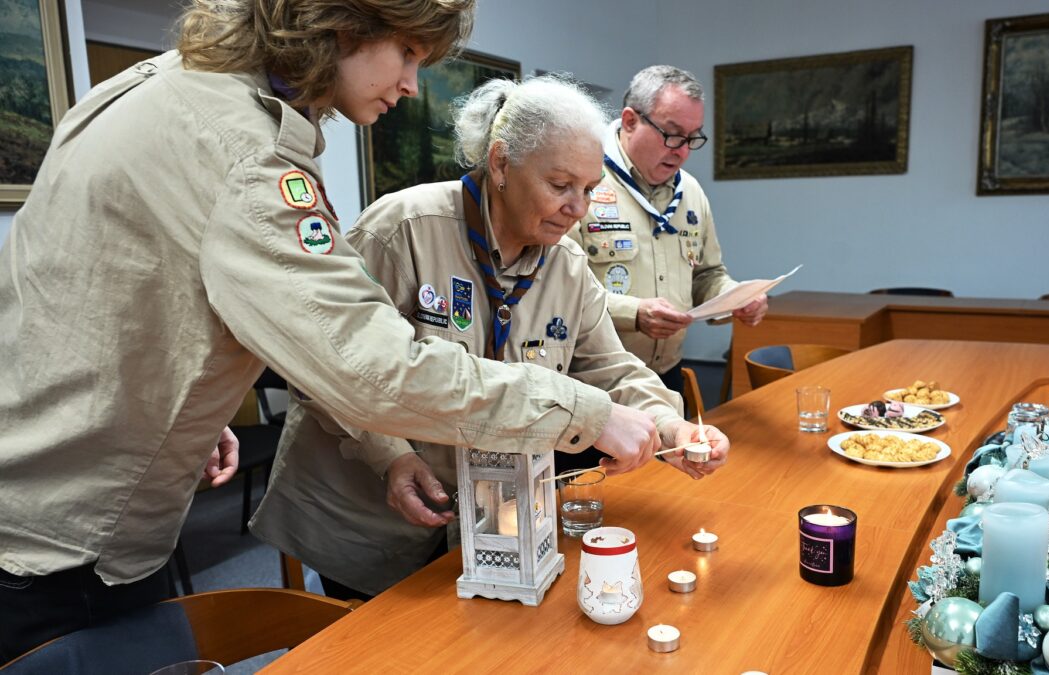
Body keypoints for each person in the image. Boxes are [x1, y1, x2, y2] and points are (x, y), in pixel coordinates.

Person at [0, 1, 659, 660]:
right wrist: (583, 411)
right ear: (343, 24)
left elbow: (84, 290)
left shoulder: (163, 84)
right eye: (406, 54)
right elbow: (372, 367)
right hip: (61, 548)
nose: (410, 84)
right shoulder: (249, 157)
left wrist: (179, 410)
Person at [250, 74, 730, 600]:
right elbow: (328, 367)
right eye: (560, 185)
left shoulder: (567, 263)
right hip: (367, 517)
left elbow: (609, 368)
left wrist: (671, 427)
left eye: (590, 190)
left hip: (490, 524)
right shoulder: (403, 228)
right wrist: (390, 457)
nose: (578, 209)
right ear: (501, 163)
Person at [567, 65, 769, 396]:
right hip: (595, 381)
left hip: (667, 375)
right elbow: (557, 287)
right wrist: (634, 314)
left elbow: (707, 275)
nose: (683, 150)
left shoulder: (690, 192)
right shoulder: (583, 180)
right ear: (631, 121)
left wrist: (736, 298)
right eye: (672, 134)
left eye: (693, 137)